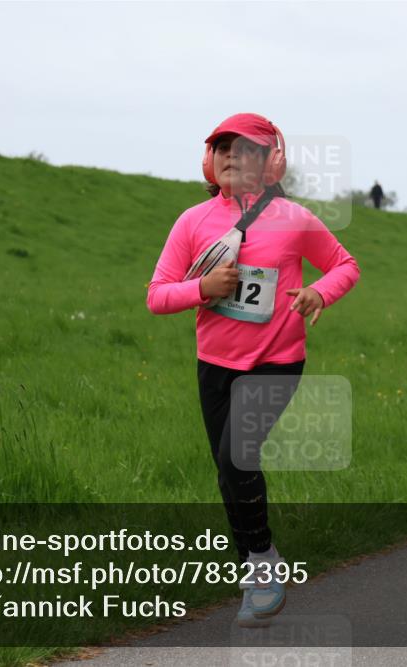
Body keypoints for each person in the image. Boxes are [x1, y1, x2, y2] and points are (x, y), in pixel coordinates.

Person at [146, 113, 360, 627]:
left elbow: (345, 265)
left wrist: (317, 292)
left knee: (237, 456)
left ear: (271, 162)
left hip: (277, 362)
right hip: (214, 365)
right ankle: (257, 564)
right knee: (227, 468)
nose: (230, 155)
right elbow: (156, 296)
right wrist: (203, 289)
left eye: (245, 149)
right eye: (221, 147)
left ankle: (261, 568)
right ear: (208, 160)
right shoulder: (191, 222)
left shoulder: (295, 219)